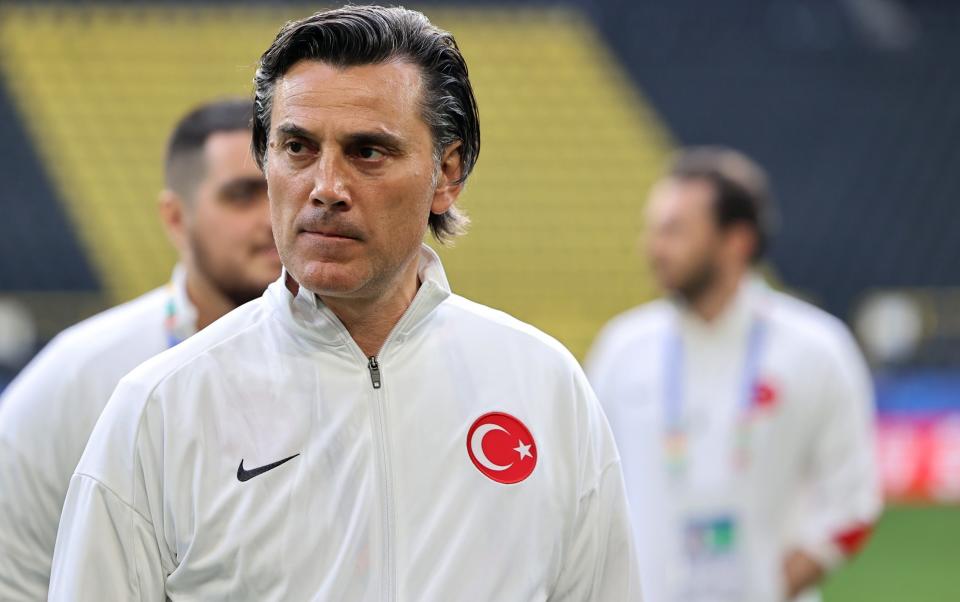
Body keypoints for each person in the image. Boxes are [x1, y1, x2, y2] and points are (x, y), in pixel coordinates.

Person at [48, 6, 640, 601]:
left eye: (368, 152)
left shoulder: (543, 385)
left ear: (447, 174)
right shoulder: (159, 408)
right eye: (298, 147)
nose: (326, 187)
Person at [0, 97, 280, 599]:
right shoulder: (80, 374)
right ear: (176, 218)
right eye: (242, 195)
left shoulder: (363, 358)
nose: (274, 219)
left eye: (284, 191)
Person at [587, 146, 882, 602]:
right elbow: (588, 494)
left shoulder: (818, 348)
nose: (654, 247)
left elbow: (854, 502)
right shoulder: (621, 348)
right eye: (654, 229)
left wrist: (769, 587)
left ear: (736, 241)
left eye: (675, 230)